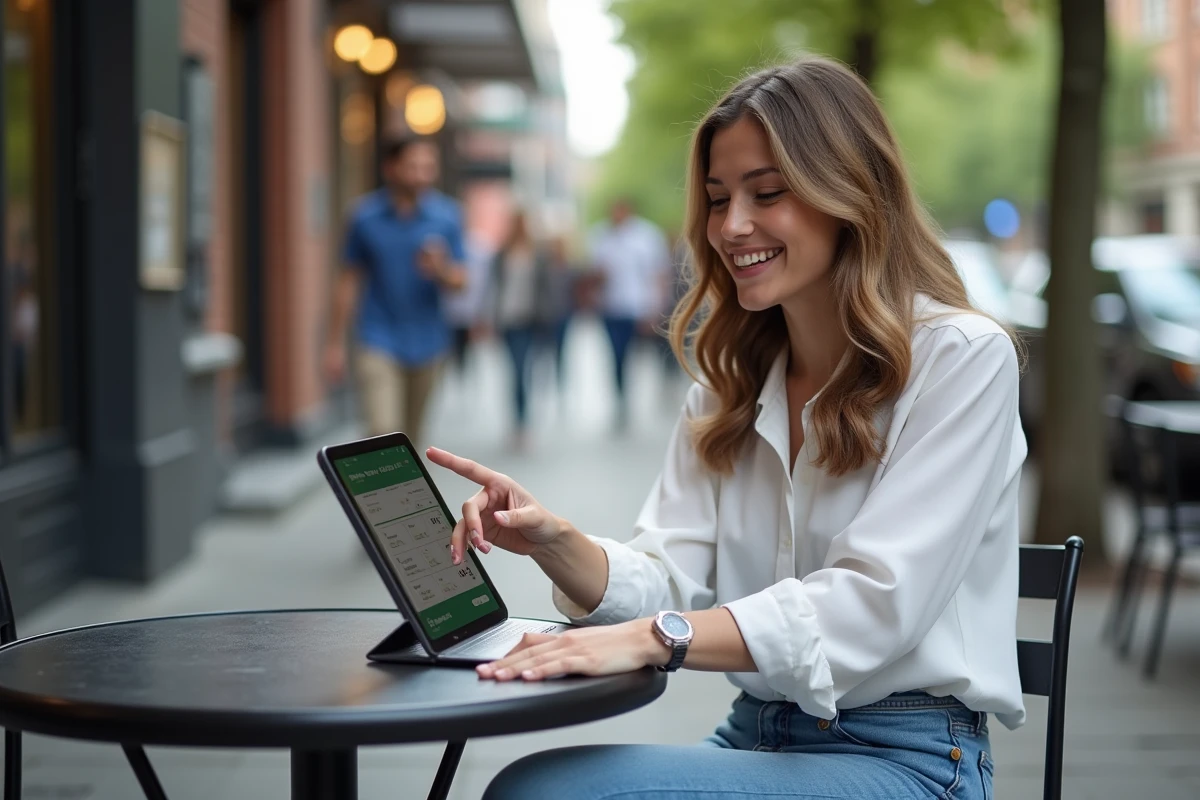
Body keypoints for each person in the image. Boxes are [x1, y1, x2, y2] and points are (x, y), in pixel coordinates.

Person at [428, 56, 1025, 800]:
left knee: (543, 792)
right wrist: (554, 539)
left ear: (850, 194)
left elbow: (872, 605)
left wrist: (654, 640)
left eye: (767, 193)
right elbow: (666, 577)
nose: (730, 226)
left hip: (909, 757)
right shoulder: (729, 384)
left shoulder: (961, 360)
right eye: (717, 199)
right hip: (760, 732)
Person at [324, 136, 466, 447]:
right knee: (383, 430)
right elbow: (348, 280)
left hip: (428, 341)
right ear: (391, 168)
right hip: (377, 337)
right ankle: (375, 496)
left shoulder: (447, 216)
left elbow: (461, 283)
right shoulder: (364, 217)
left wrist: (440, 268)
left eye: (428, 167)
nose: (422, 175)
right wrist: (334, 343)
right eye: (413, 166)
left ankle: (403, 498)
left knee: (411, 441)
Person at [587, 198, 672, 432]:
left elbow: (658, 275)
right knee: (616, 356)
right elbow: (594, 273)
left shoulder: (647, 236)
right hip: (611, 308)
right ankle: (621, 399)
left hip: (639, 308)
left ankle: (649, 392)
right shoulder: (601, 236)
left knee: (641, 356)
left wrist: (655, 308)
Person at [490, 210, 548, 449]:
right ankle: (517, 421)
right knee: (514, 371)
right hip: (507, 320)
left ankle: (522, 422)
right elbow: (493, 287)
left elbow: (546, 288)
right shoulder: (502, 253)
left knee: (522, 370)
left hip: (529, 320)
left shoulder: (537, 253)